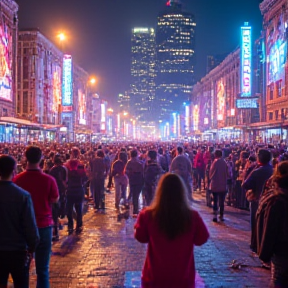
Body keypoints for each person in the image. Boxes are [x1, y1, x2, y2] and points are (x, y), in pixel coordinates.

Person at [134, 173, 209, 288]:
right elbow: (201, 238)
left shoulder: (147, 215)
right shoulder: (192, 216)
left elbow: (141, 237)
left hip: (154, 276)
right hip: (183, 277)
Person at [14, 146, 59, 288]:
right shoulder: (48, 179)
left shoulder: (17, 179)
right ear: (41, 159)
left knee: (23, 269)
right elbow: (55, 199)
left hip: (23, 228)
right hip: (44, 225)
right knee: (43, 270)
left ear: (25, 159)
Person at [0, 155, 39, 288]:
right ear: (14, 171)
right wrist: (32, 247)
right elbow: (30, 226)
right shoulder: (22, 195)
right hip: (18, 250)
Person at [256, 161, 288, 287]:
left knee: (278, 281)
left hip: (281, 251)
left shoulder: (276, 200)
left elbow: (270, 229)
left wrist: (264, 253)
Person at [242, 149, 273, 253]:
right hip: (269, 200)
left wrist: (251, 169)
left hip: (256, 199)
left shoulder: (257, 171)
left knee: (255, 223)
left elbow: (245, 184)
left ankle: (255, 245)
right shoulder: (272, 170)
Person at [66, 159, 87, 234]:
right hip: (79, 191)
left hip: (70, 191)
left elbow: (65, 181)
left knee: (69, 210)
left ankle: (70, 226)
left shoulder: (68, 172)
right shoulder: (80, 172)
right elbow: (85, 179)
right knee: (79, 210)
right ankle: (79, 225)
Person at [49, 155, 67, 241]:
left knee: (54, 212)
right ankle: (62, 215)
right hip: (62, 190)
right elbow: (65, 179)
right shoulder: (63, 169)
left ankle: (55, 232)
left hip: (55, 190)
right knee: (61, 205)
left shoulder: (52, 170)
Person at [209, 149, 228, 222]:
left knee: (215, 200)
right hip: (223, 184)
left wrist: (210, 180)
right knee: (222, 201)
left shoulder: (215, 162)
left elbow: (212, 173)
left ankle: (215, 215)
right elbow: (227, 173)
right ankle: (221, 215)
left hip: (215, 184)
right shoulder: (224, 162)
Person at [125, 149, 144, 216]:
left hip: (132, 180)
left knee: (134, 195)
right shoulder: (140, 162)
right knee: (137, 195)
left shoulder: (129, 162)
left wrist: (130, 176)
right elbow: (143, 171)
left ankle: (135, 211)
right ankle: (136, 210)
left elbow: (126, 172)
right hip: (139, 180)